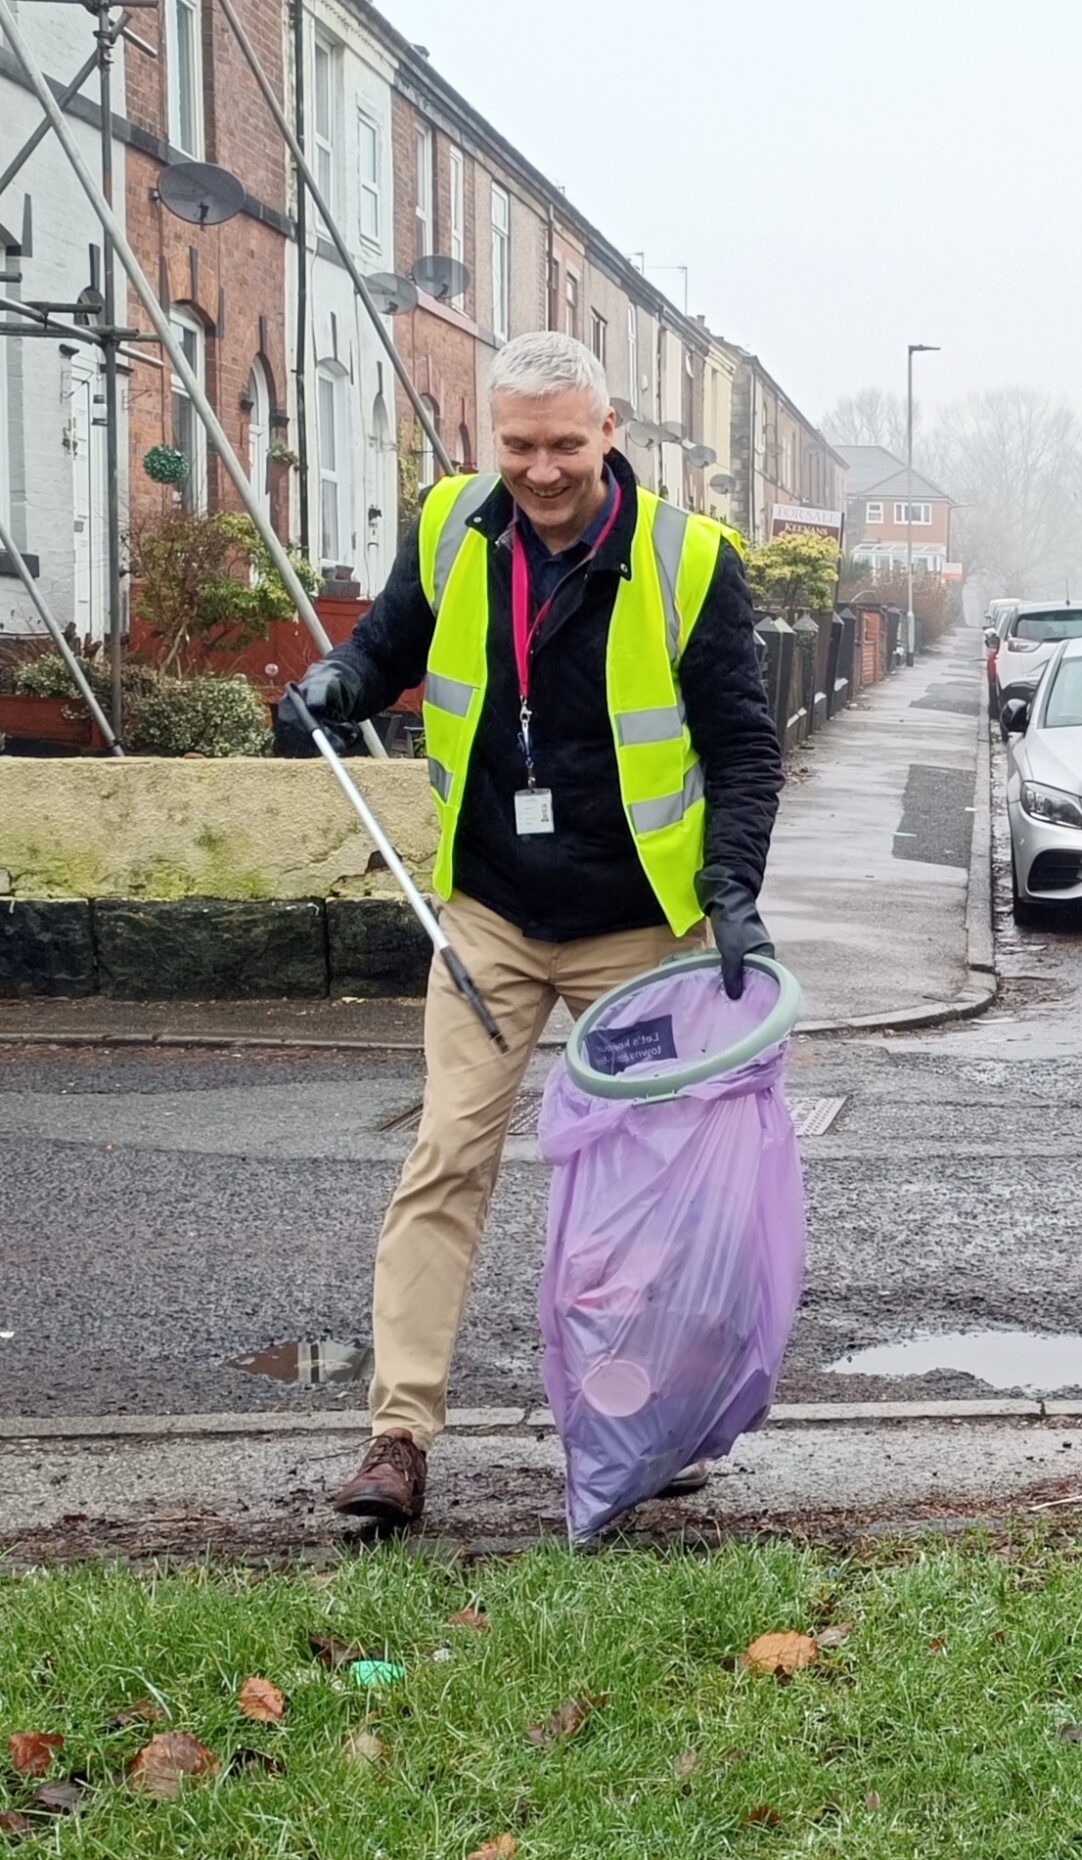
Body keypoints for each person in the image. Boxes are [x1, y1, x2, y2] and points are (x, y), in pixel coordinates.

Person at [282, 331, 782, 1527]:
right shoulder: (455, 526)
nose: (542, 469)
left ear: (610, 434)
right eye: (519, 445)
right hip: (490, 917)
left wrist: (730, 885)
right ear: (488, 435)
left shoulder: (687, 560)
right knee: (446, 1160)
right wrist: (340, 684)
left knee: (650, 1197)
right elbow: (386, 647)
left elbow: (744, 746)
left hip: (637, 933)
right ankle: (397, 1438)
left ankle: (646, 1426)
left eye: (565, 443)